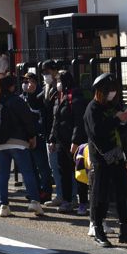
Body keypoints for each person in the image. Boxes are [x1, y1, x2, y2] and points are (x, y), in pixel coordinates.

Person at [84, 73, 127, 247]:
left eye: (114, 91)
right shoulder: (92, 109)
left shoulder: (110, 106)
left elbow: (119, 128)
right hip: (101, 158)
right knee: (100, 195)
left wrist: (123, 121)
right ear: (100, 91)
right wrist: (116, 120)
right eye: (109, 91)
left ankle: (125, 228)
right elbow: (97, 132)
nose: (112, 94)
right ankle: (98, 229)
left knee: (121, 192)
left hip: (117, 155)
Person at [0, 75, 44, 218]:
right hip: (18, 141)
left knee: (3, 174)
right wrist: (32, 136)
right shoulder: (17, 100)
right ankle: (34, 201)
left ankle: (3, 205)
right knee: (27, 172)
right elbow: (27, 120)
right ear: (11, 86)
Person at [49, 70, 88, 214]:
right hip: (61, 142)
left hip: (74, 143)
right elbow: (56, 120)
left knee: (79, 173)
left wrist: (75, 141)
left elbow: (79, 121)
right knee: (64, 172)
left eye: (59, 80)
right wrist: (52, 139)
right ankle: (66, 200)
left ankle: (83, 202)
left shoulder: (75, 97)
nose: (57, 83)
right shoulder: (59, 97)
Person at [21, 71, 52, 202]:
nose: (27, 84)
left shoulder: (40, 94)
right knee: (30, 166)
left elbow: (38, 109)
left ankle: (46, 192)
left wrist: (32, 92)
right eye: (25, 82)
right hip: (26, 136)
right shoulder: (22, 97)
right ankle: (35, 190)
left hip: (39, 135)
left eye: (29, 81)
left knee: (42, 166)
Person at [39, 60, 65, 208]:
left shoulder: (60, 87)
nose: (45, 75)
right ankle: (60, 195)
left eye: (47, 72)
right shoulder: (46, 88)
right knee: (54, 167)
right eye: (43, 72)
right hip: (49, 133)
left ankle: (68, 196)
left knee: (62, 167)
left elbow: (56, 115)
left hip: (59, 135)